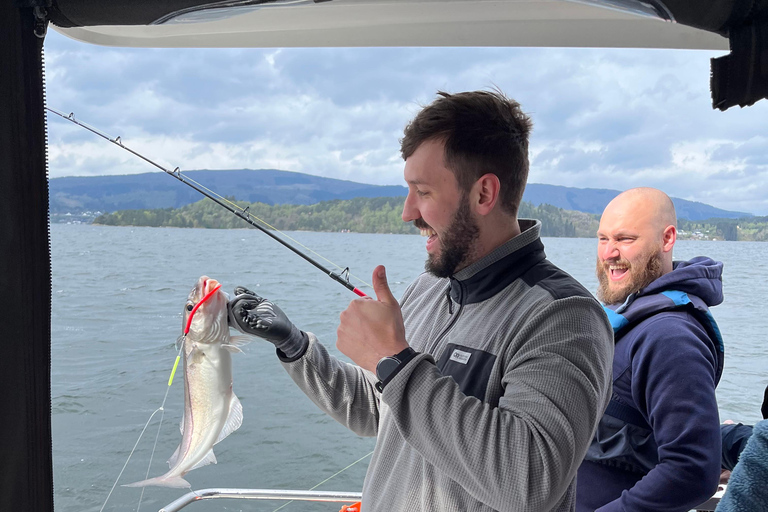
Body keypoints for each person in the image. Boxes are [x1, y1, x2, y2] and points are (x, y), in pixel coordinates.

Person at [229, 90, 614, 512]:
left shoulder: (563, 316)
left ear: (484, 194)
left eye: (423, 192)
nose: (407, 212)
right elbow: (378, 409)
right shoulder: (428, 288)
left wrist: (395, 363)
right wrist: (294, 345)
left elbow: (528, 480)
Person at [576, 187, 724, 512]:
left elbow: (693, 469)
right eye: (603, 239)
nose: (609, 253)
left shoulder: (670, 337)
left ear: (667, 239)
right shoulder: (631, 315)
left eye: (625, 239)